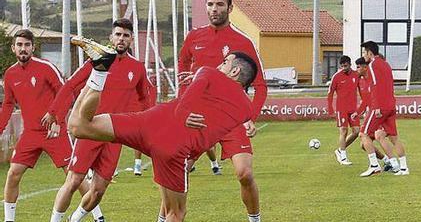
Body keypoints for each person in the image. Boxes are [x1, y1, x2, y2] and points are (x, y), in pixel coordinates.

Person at [67, 36, 257, 222]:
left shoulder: (207, 72)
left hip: (151, 120)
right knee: (176, 214)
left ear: (235, 71)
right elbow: (220, 119)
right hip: (174, 146)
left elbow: (195, 91)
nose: (219, 65)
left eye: (224, 63)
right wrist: (186, 114)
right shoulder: (245, 109)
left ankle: (99, 72)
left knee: (79, 126)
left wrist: (186, 106)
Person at [47, 19, 151, 222]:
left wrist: (149, 125)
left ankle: (74, 219)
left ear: (131, 40)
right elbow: (69, 86)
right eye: (118, 34)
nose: (121, 39)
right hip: (90, 131)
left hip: (114, 135)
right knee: (74, 180)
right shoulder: (97, 63)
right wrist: (55, 114)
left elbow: (144, 99)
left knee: (98, 191)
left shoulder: (137, 68)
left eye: (126, 35)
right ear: (111, 38)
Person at [177, 0, 266, 222]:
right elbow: (183, 68)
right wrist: (183, 105)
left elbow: (260, 86)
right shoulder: (194, 37)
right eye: (210, 4)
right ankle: (167, 217)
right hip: (199, 117)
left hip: (231, 118)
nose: (214, 9)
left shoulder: (243, 42)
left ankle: (254, 219)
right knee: (178, 170)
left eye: (219, 4)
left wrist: (250, 118)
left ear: (230, 7)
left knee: (244, 173)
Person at [0, 29, 77, 222]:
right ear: (13, 48)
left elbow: (67, 93)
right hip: (31, 134)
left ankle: (97, 216)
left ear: (33, 47)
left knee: (76, 176)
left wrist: (57, 121)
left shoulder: (46, 68)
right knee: (13, 173)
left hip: (54, 132)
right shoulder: (10, 74)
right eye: (19, 45)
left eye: (27, 45)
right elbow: (8, 104)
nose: (23, 49)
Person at [358, 41, 408, 177]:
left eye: (364, 52)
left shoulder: (373, 64)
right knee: (393, 138)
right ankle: (402, 167)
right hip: (391, 105)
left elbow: (376, 86)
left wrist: (377, 106)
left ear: (370, 52)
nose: (364, 55)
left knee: (364, 134)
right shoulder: (386, 64)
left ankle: (374, 165)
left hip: (380, 106)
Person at [354, 58, 396, 172]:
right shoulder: (361, 80)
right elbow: (366, 100)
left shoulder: (373, 78)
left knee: (377, 136)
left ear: (365, 67)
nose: (356, 69)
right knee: (364, 144)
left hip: (378, 113)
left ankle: (393, 163)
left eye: (358, 67)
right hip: (371, 113)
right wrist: (358, 112)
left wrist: (377, 108)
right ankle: (388, 161)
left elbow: (376, 95)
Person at [327, 55, 360, 166]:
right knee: (344, 130)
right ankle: (344, 157)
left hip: (353, 108)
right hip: (341, 109)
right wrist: (330, 107)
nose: (344, 68)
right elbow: (330, 92)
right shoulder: (336, 77)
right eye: (342, 66)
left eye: (345, 66)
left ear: (350, 64)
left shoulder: (356, 75)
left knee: (356, 132)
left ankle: (340, 150)